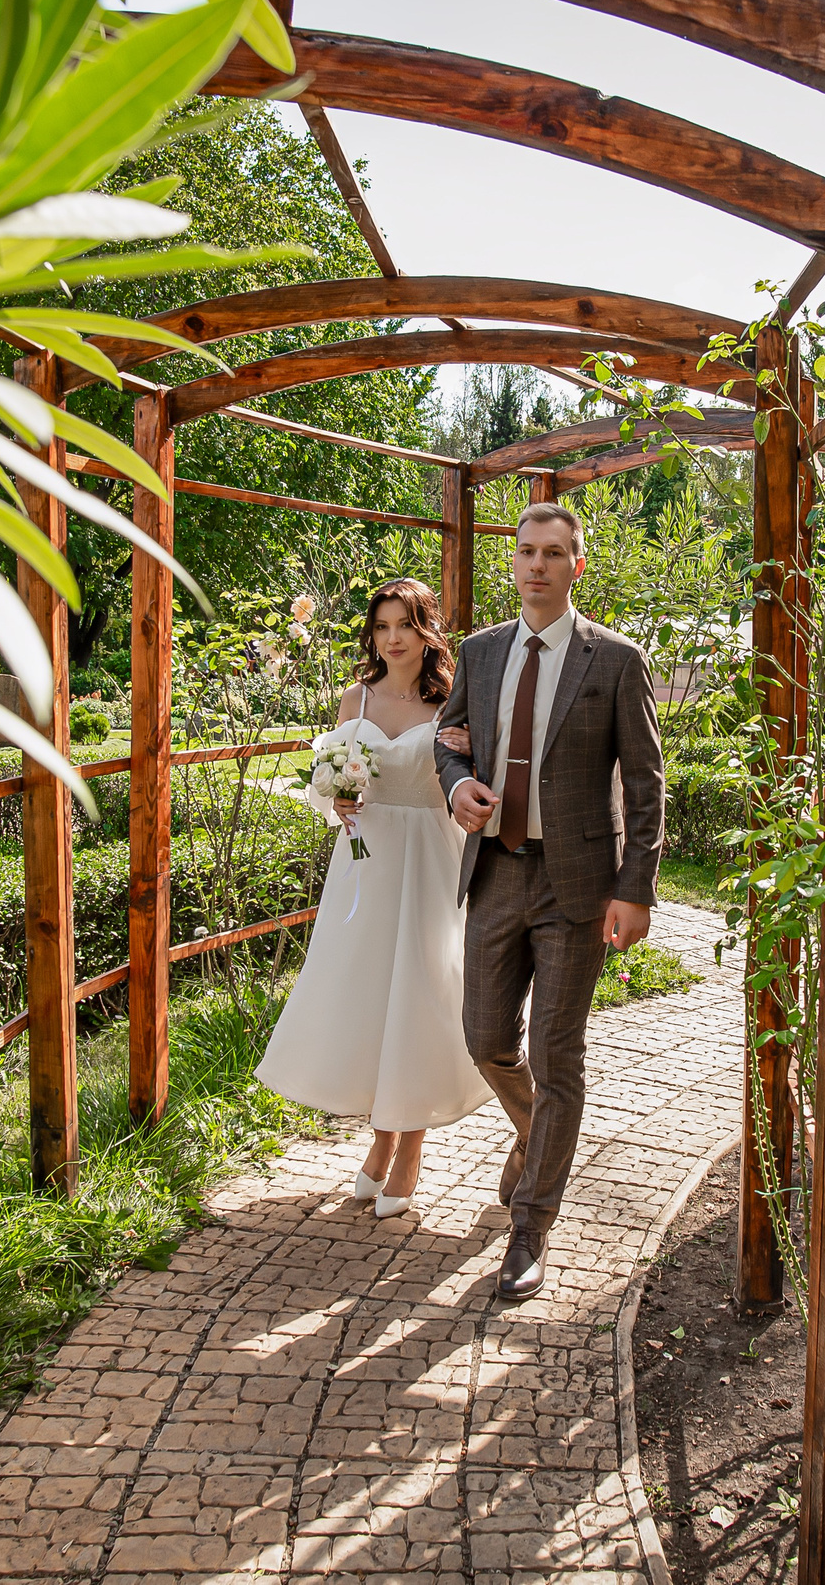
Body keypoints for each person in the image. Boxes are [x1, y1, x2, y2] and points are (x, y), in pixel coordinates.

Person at [434, 502, 664, 1300]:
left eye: (553, 553)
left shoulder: (617, 660)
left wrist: (636, 888)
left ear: (576, 565)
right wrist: (456, 785)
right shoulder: (480, 652)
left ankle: (530, 1226)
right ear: (515, 561)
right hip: (496, 872)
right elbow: (450, 738)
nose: (537, 564)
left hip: (578, 886)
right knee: (485, 1037)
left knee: (558, 1054)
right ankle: (538, 1137)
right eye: (526, 551)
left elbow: (646, 783)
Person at [256, 579, 490, 1218]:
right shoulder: (353, 697)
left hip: (429, 857)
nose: (393, 638)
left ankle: (409, 1146)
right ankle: (381, 1139)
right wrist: (334, 799)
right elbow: (329, 781)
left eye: (405, 625)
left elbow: (473, 776)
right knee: (369, 995)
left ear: (426, 631)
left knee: (420, 994)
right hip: (365, 861)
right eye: (382, 626)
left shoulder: (453, 701)